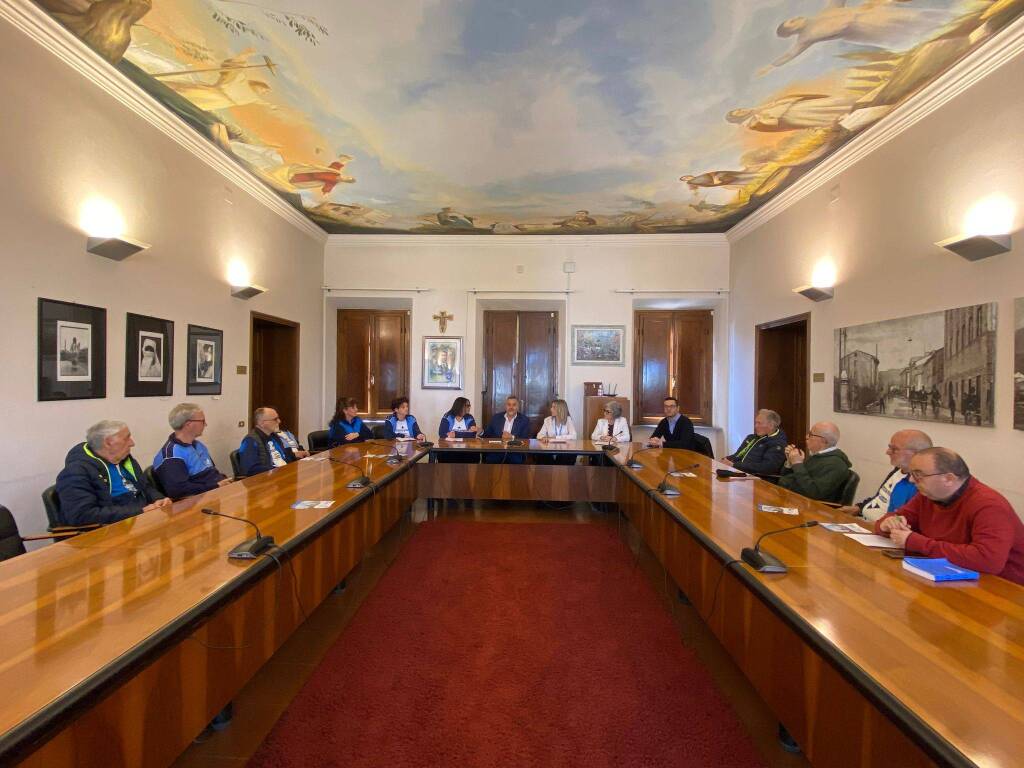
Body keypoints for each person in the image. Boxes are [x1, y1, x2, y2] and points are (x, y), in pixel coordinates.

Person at [874, 448, 1024, 585]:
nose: (911, 480)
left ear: (949, 479)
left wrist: (917, 542)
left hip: (1002, 587)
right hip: (951, 576)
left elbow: (988, 560)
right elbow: (898, 518)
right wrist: (887, 524)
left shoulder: (989, 505)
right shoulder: (928, 495)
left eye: (918, 475)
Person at [56, 420, 170, 526]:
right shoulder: (75, 472)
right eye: (126, 438)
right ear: (108, 443)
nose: (132, 443)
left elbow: (145, 487)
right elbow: (83, 515)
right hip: (112, 529)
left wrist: (159, 500)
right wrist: (140, 511)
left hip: (143, 520)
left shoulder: (125, 459)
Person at [837, 429, 931, 521]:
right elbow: (881, 498)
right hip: (864, 520)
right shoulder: (897, 470)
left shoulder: (920, 484)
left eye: (894, 449)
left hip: (879, 527)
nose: (887, 452)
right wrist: (859, 508)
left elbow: (903, 519)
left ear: (916, 453)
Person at [153, 403, 233, 500]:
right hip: (198, 501)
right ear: (188, 424)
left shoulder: (199, 445)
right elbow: (179, 491)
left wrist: (223, 481)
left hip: (215, 492)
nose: (206, 424)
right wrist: (215, 486)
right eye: (202, 421)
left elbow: (211, 472)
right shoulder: (171, 455)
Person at [778, 421, 852, 502]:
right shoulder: (818, 456)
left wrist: (797, 464)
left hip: (805, 504)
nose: (806, 437)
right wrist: (790, 462)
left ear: (823, 441)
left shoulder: (836, 465)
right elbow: (786, 477)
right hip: (789, 496)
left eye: (811, 434)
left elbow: (814, 493)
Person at [722, 409, 787, 477]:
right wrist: (725, 460)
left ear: (771, 425)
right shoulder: (751, 438)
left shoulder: (778, 444)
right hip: (741, 473)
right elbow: (737, 455)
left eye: (759, 423)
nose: (755, 426)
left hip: (759, 479)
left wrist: (735, 465)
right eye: (755, 423)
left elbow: (767, 468)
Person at [239, 407, 300, 476]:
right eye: (275, 419)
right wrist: (277, 471)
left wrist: (294, 455)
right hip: (268, 479)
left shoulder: (274, 436)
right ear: (262, 423)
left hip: (283, 474)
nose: (279, 421)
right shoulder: (250, 441)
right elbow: (251, 469)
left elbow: (284, 455)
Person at [482, 396, 531, 464]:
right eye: (509, 404)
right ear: (505, 406)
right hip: (497, 450)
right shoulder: (496, 418)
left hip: (515, 451)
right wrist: (481, 432)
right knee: (490, 460)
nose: (511, 407)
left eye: (514, 405)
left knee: (516, 461)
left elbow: (526, 439)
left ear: (518, 407)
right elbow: (487, 434)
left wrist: (512, 437)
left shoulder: (524, 420)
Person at [437, 396, 479, 464]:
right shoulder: (447, 416)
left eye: (469, 405)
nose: (469, 407)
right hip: (450, 448)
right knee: (445, 455)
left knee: (474, 454)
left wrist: (456, 434)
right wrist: (466, 433)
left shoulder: (469, 417)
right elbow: (442, 434)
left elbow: (472, 434)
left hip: (466, 448)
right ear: (460, 406)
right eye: (467, 405)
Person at [537, 399, 578, 466]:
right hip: (550, 448)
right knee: (542, 455)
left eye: (553, 407)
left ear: (560, 409)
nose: (551, 409)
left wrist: (556, 437)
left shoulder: (568, 420)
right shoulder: (547, 420)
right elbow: (539, 435)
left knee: (569, 455)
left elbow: (574, 436)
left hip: (564, 449)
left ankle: (562, 472)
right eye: (551, 407)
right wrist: (543, 437)